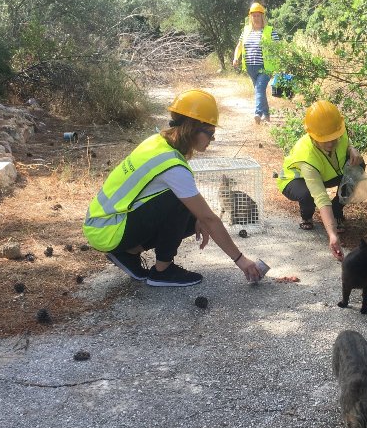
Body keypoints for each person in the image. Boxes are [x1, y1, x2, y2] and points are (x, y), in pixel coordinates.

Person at [82, 89, 262, 286]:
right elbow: (209, 218)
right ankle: (163, 271)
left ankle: (129, 252)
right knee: (183, 203)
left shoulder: (156, 141)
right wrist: (240, 259)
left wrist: (200, 218)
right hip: (108, 231)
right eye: (210, 133)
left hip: (101, 224)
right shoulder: (173, 166)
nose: (213, 140)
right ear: (193, 128)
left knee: (193, 216)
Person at [277, 100, 364, 262]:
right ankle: (306, 215)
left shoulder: (338, 131)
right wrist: (332, 235)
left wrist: (352, 149)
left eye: (334, 138)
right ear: (312, 135)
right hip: (295, 180)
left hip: (325, 175)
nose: (331, 143)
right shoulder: (307, 155)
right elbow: (321, 197)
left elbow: (346, 141)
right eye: (325, 139)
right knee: (308, 195)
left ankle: (337, 210)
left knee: (358, 165)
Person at [232, 2, 280, 125]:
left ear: (262, 16)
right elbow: (239, 46)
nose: (256, 18)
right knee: (260, 91)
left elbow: (279, 48)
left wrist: (279, 64)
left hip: (265, 67)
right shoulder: (246, 30)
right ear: (250, 17)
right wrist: (236, 58)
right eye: (254, 15)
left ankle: (258, 113)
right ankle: (267, 115)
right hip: (250, 67)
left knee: (259, 89)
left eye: (258, 15)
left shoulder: (270, 31)